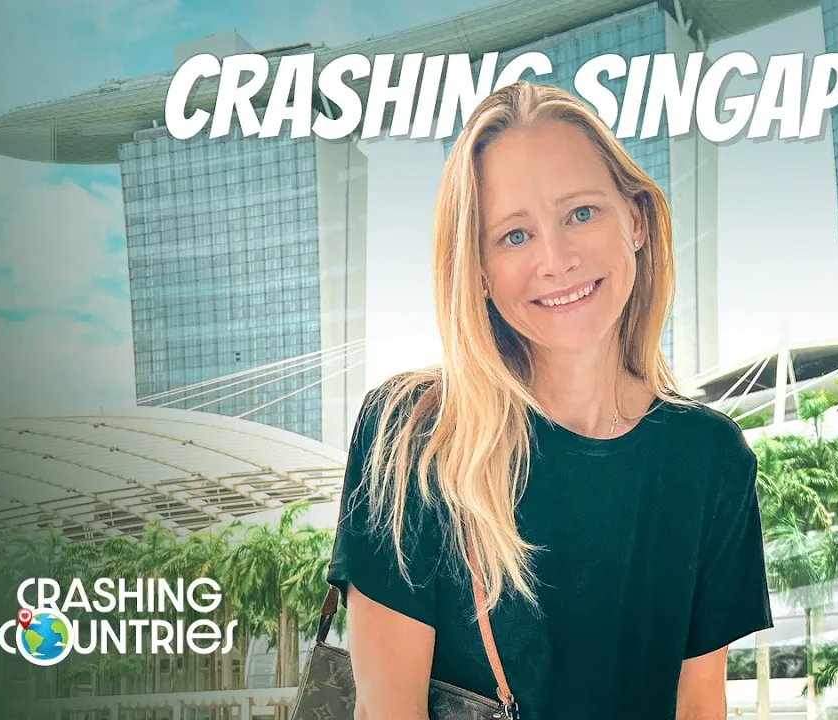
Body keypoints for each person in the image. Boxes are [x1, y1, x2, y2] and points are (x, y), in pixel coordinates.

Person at [328, 81, 772, 720]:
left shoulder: (709, 459)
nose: (556, 260)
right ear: (477, 269)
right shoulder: (411, 437)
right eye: (513, 235)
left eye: (581, 213)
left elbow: (699, 704)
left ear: (637, 220)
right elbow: (386, 711)